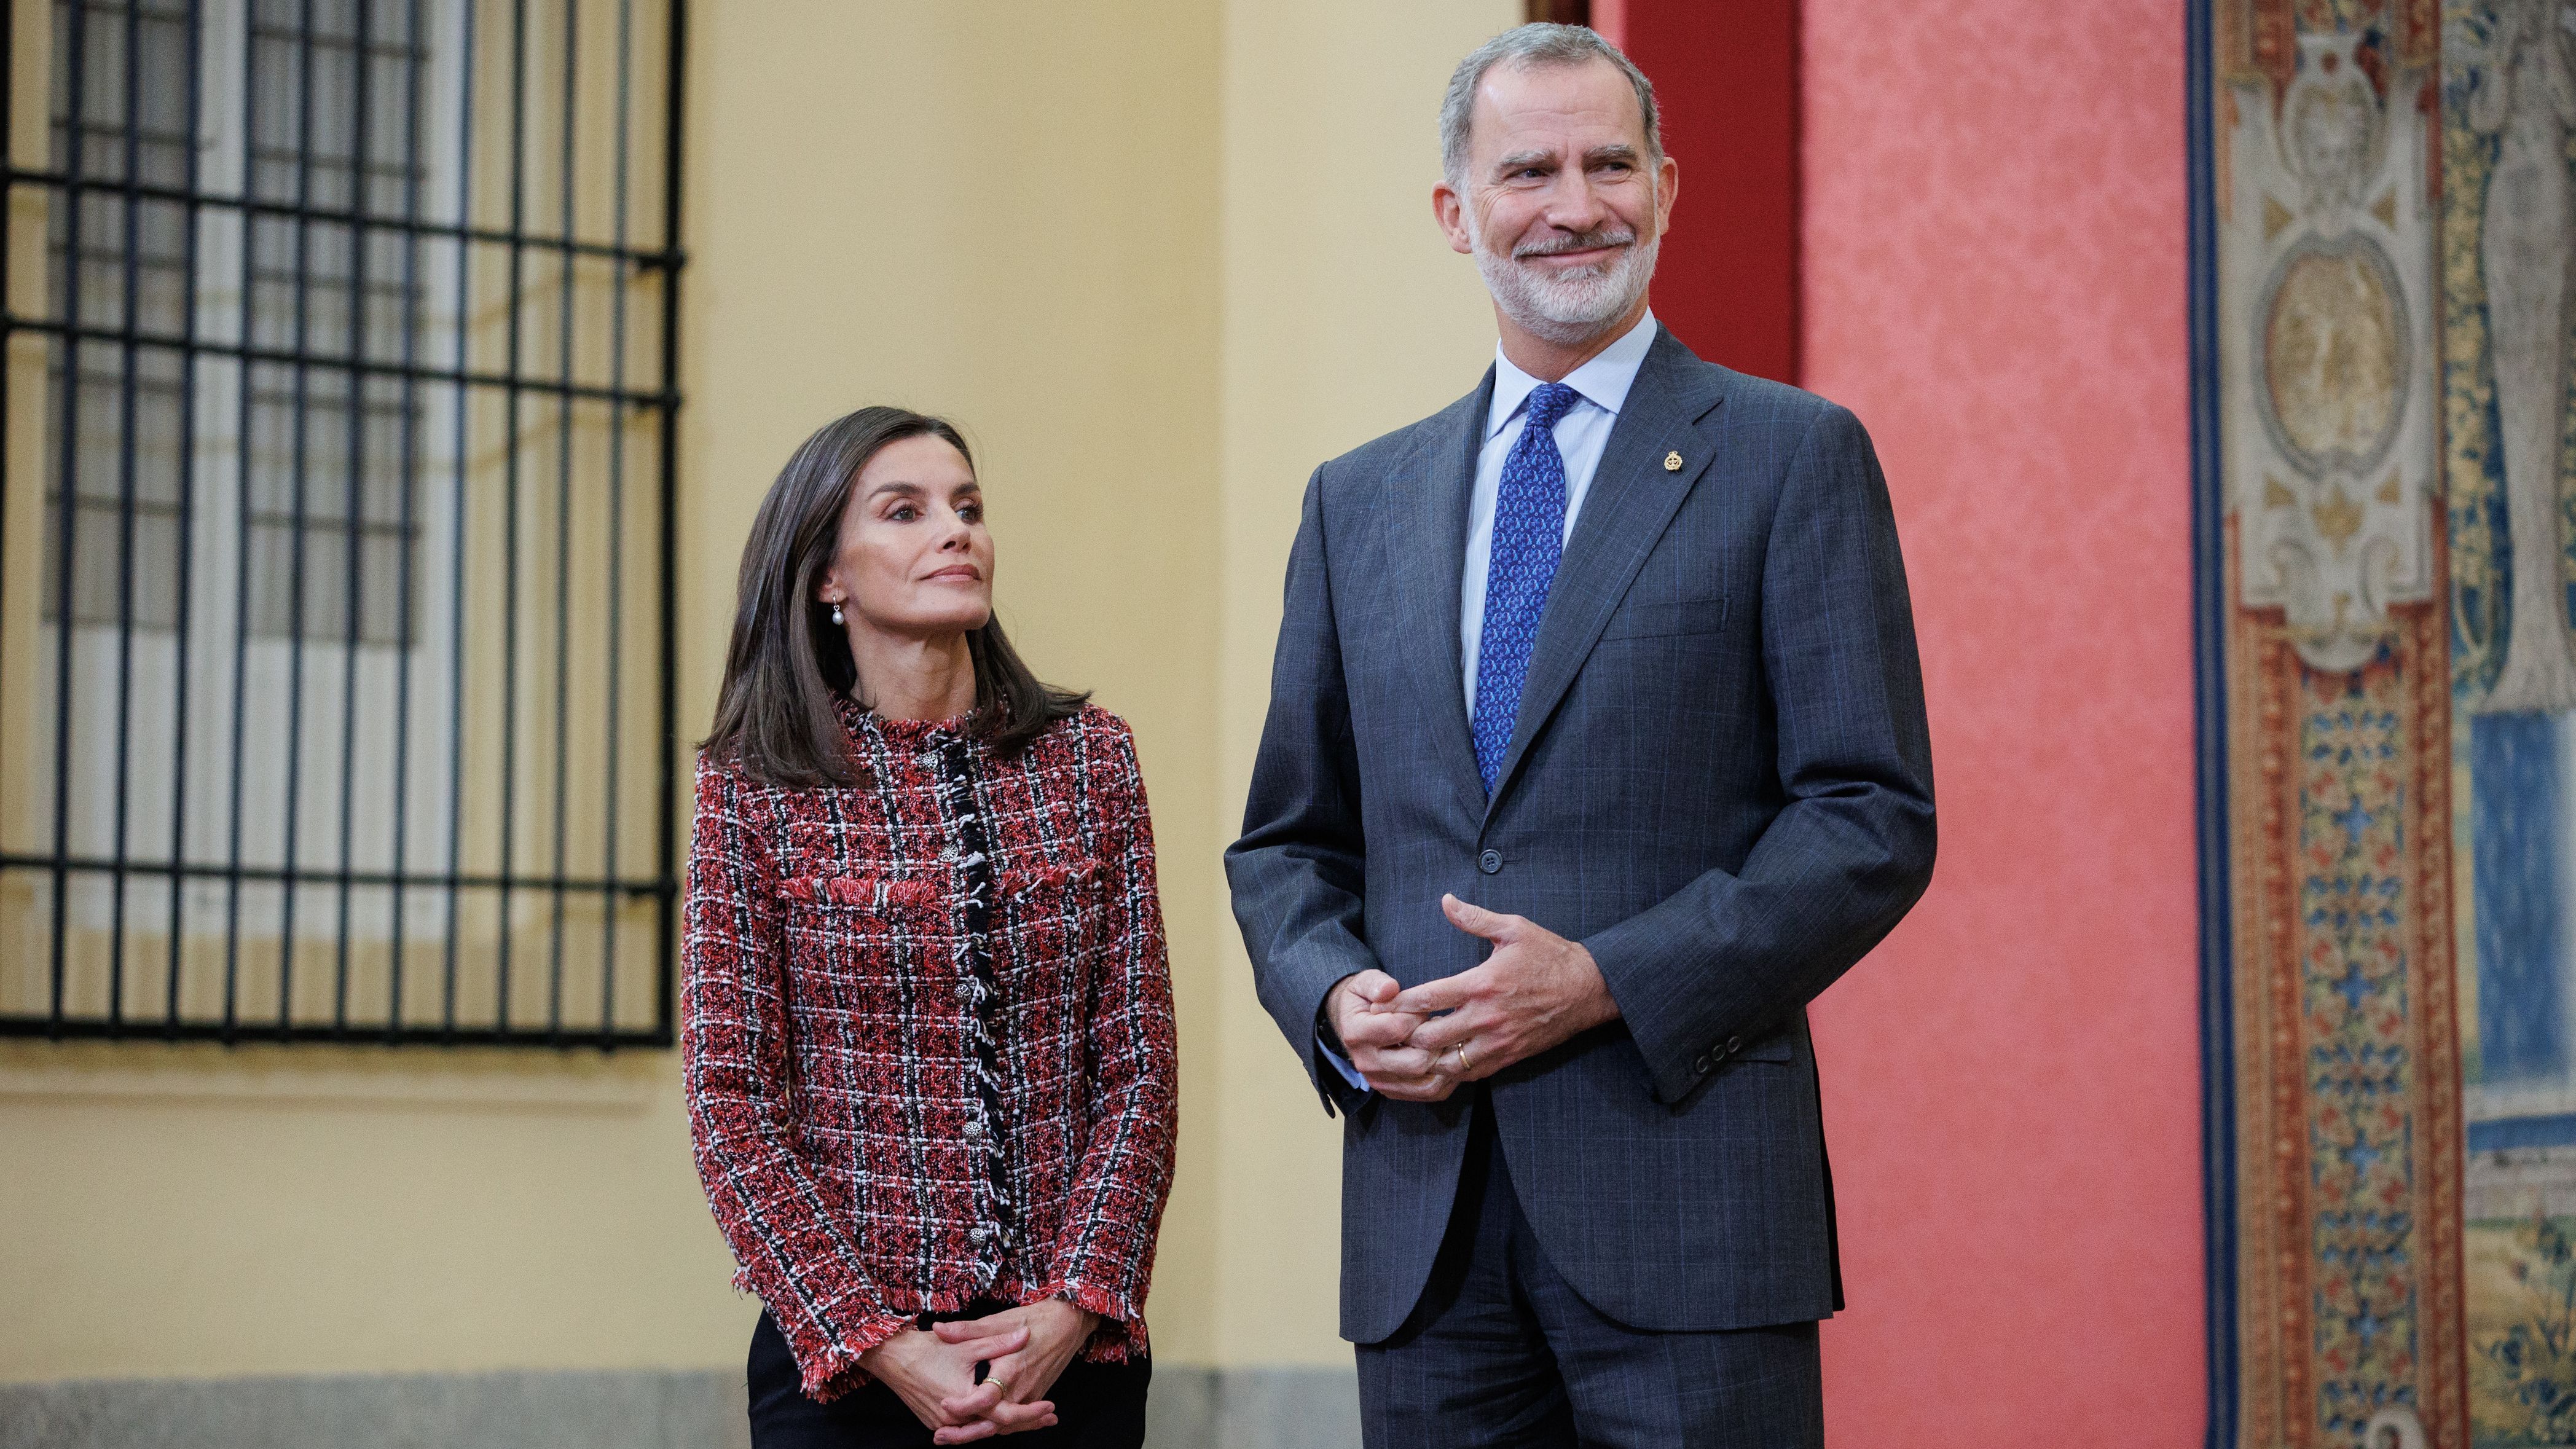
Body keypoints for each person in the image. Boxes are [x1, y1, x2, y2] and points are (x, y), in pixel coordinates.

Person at [1226, 23, 1934, 1447]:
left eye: (1608, 163)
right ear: (1455, 213)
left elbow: (1868, 817)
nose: (1571, 205)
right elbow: (1288, 845)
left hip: (1688, 1222)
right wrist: (1333, 1004)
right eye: (1526, 169)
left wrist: (1607, 977)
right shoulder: (1352, 502)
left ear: (1665, 189)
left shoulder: (1792, 456)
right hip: (1421, 1234)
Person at [685, 406, 1177, 1448]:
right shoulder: (752, 788)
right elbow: (731, 1095)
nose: (954, 531)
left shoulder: (1090, 760)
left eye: (968, 508)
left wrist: (1078, 1301)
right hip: (848, 1368)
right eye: (905, 512)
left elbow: (1138, 1062)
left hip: (1067, 1358)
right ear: (828, 575)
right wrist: (875, 1337)